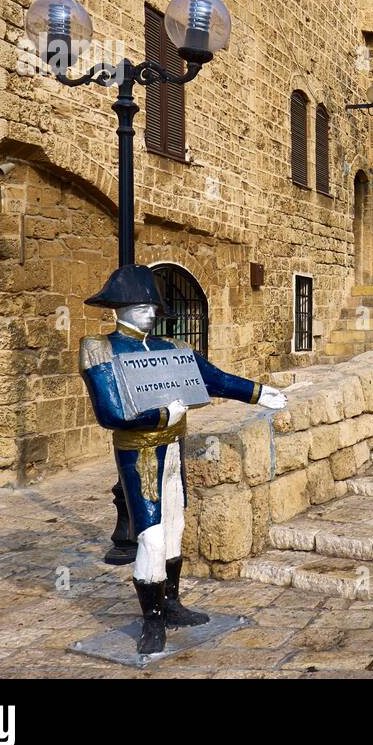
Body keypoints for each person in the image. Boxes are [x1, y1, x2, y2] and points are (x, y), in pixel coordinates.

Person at [78, 264, 287, 655]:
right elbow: (110, 412)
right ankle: (152, 620)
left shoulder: (171, 349)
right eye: (138, 305)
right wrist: (161, 415)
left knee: (175, 528)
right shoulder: (101, 349)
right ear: (118, 308)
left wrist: (259, 393)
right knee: (151, 536)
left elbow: (214, 379)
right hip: (139, 452)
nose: (148, 312)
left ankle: (171, 603)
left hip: (173, 447)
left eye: (151, 306)